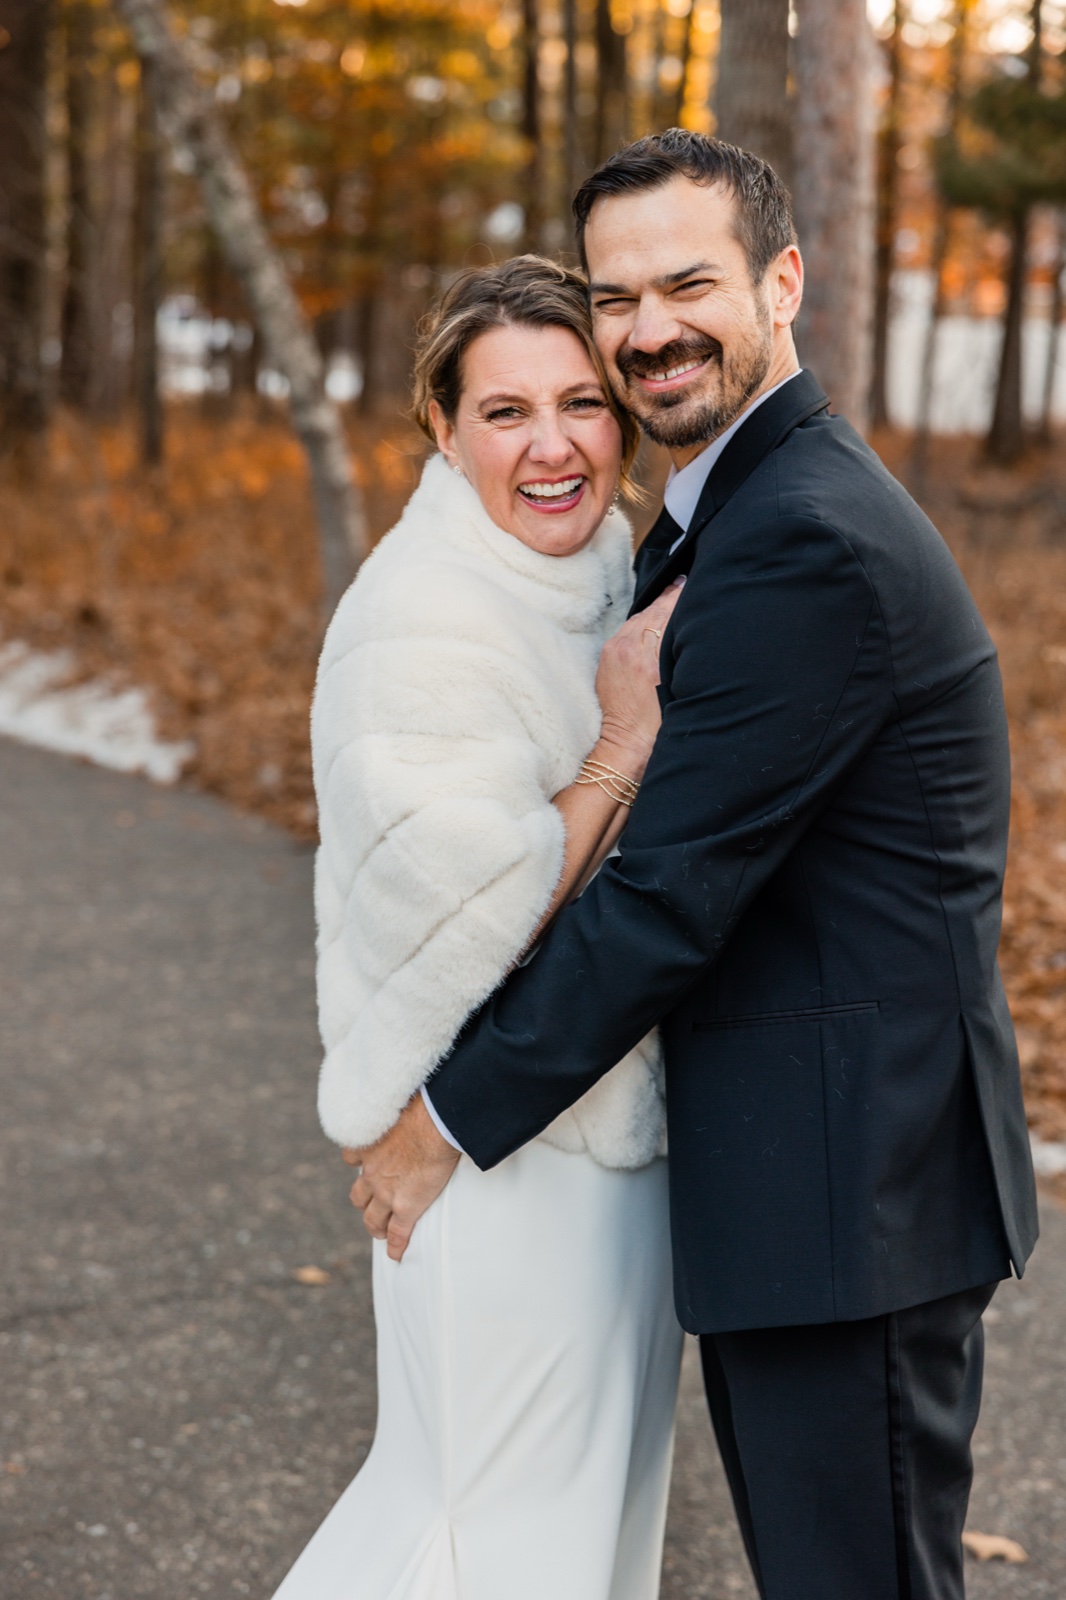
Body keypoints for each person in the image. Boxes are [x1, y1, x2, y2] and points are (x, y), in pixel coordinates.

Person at [351, 131, 1040, 1600]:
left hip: (848, 1185)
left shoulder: (801, 539)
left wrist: (445, 1123)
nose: (649, 329)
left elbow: (670, 895)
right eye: (616, 298)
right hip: (817, 1170)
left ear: (780, 281)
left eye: (687, 283)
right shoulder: (738, 506)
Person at [271, 256, 685, 1600]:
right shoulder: (420, 621)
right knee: (477, 1538)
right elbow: (484, 911)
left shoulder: (598, 565)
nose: (554, 445)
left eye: (580, 401)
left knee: (577, 1538)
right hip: (496, 1159)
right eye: (504, 413)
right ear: (440, 430)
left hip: (598, 1128)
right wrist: (621, 747)